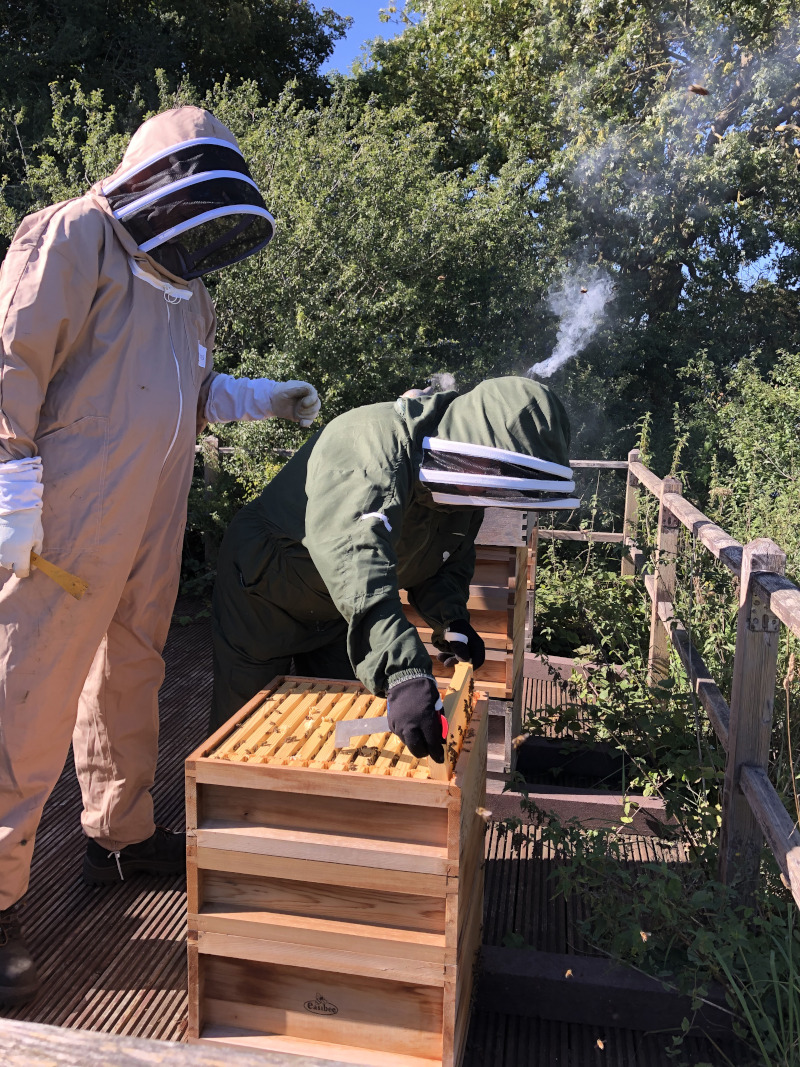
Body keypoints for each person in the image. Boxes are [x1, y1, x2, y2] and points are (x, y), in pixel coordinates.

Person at [0, 105, 321, 1003]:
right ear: (158, 182)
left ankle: (119, 835)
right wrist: (9, 493)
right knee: (21, 698)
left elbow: (183, 392)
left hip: (148, 518)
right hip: (56, 523)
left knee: (130, 675)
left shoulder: (187, 292)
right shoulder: (72, 238)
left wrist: (260, 397)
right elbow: (6, 362)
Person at [210, 376, 578, 759]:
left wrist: (450, 621)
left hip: (340, 609)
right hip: (265, 590)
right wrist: (404, 672)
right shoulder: (368, 444)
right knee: (246, 728)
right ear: (475, 451)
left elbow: (444, 557)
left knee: (331, 722)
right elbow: (356, 557)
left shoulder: (461, 488)